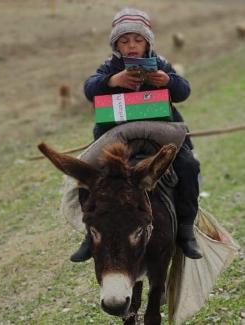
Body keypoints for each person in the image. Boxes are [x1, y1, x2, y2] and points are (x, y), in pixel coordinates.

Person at [70, 7, 202, 262]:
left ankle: (186, 231)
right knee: (86, 172)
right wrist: (113, 81)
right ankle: (90, 235)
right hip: (117, 137)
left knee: (188, 165)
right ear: (116, 44)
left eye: (138, 39)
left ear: (147, 42)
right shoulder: (110, 67)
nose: (132, 45)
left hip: (161, 131)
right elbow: (89, 88)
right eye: (124, 40)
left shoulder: (161, 64)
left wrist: (168, 81)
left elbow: (184, 91)